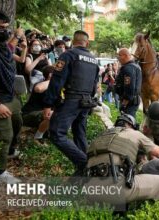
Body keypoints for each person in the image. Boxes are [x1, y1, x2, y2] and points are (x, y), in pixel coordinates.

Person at [43, 30, 99, 176]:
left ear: (73, 42)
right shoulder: (94, 59)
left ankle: (85, 163)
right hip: (86, 102)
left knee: (56, 133)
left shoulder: (68, 55)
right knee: (79, 134)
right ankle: (84, 172)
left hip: (72, 100)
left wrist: (49, 104)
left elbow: (56, 81)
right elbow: (95, 85)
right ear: (87, 43)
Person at [85, 114, 159, 204]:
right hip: (116, 190)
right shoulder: (134, 133)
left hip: (90, 191)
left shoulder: (100, 137)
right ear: (130, 125)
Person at [0, 6, 23, 183]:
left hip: (11, 96)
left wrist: (18, 40)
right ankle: (0, 172)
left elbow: (10, 51)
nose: (4, 31)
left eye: (6, 27)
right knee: (4, 136)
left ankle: (10, 151)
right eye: (0, 28)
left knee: (18, 123)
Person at [22, 65, 54, 145]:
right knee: (51, 114)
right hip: (28, 115)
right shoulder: (41, 84)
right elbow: (38, 88)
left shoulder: (54, 88)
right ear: (50, 75)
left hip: (40, 116)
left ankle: (41, 133)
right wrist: (53, 80)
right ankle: (38, 137)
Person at [115, 48, 142, 118]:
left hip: (129, 102)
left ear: (125, 55)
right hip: (133, 100)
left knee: (127, 122)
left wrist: (124, 103)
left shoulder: (129, 68)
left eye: (119, 55)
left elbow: (129, 87)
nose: (118, 58)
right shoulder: (135, 66)